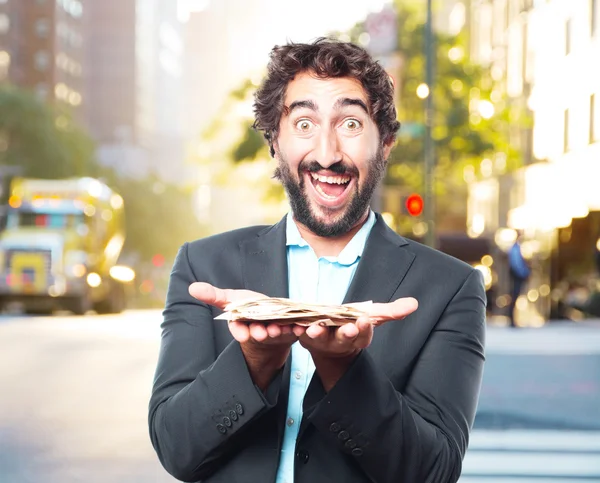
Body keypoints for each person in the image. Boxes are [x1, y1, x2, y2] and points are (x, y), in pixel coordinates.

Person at [148, 39, 486, 483]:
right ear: (274, 141)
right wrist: (254, 360)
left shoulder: (450, 288)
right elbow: (177, 449)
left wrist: (342, 369)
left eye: (349, 122)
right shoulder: (203, 266)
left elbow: (434, 472)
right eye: (304, 122)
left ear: (384, 143)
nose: (327, 154)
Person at [507, 233, 531, 327]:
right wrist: (524, 273)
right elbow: (516, 264)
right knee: (514, 296)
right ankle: (511, 320)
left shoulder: (516, 248)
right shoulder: (515, 249)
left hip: (517, 275)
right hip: (517, 276)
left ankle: (512, 319)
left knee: (514, 296)